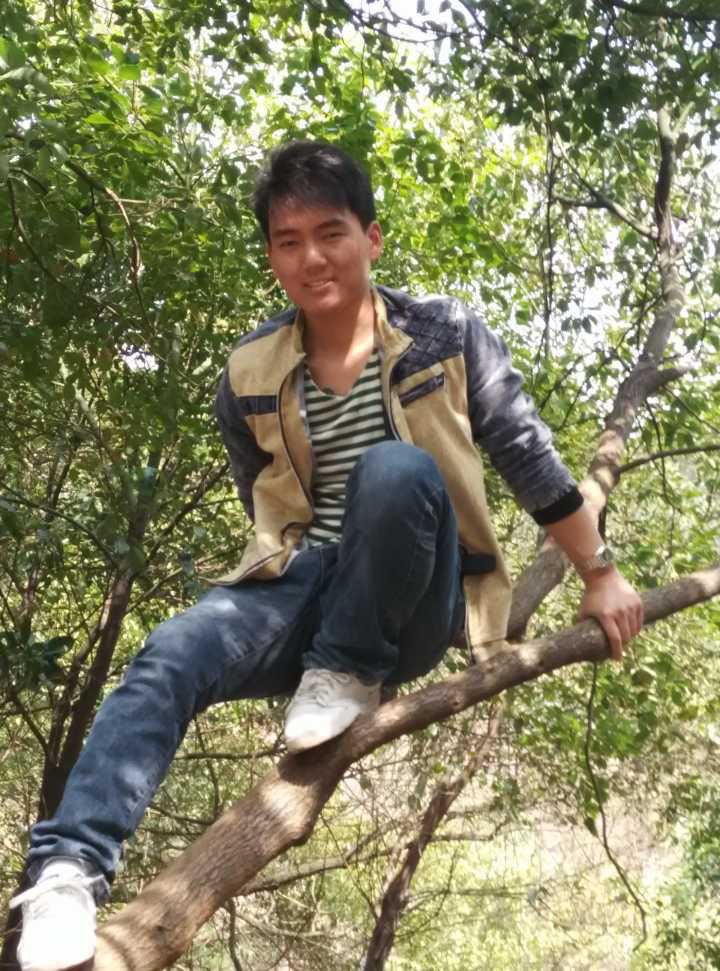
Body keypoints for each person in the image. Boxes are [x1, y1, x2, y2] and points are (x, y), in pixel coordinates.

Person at [9, 140, 643, 971]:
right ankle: (67, 870)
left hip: (413, 599)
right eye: (289, 241)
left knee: (396, 470)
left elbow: (529, 458)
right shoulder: (249, 372)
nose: (311, 257)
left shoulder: (442, 334)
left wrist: (601, 572)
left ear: (371, 238)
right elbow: (262, 500)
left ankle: (350, 664)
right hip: (304, 585)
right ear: (273, 256)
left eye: (331, 233)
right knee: (169, 651)